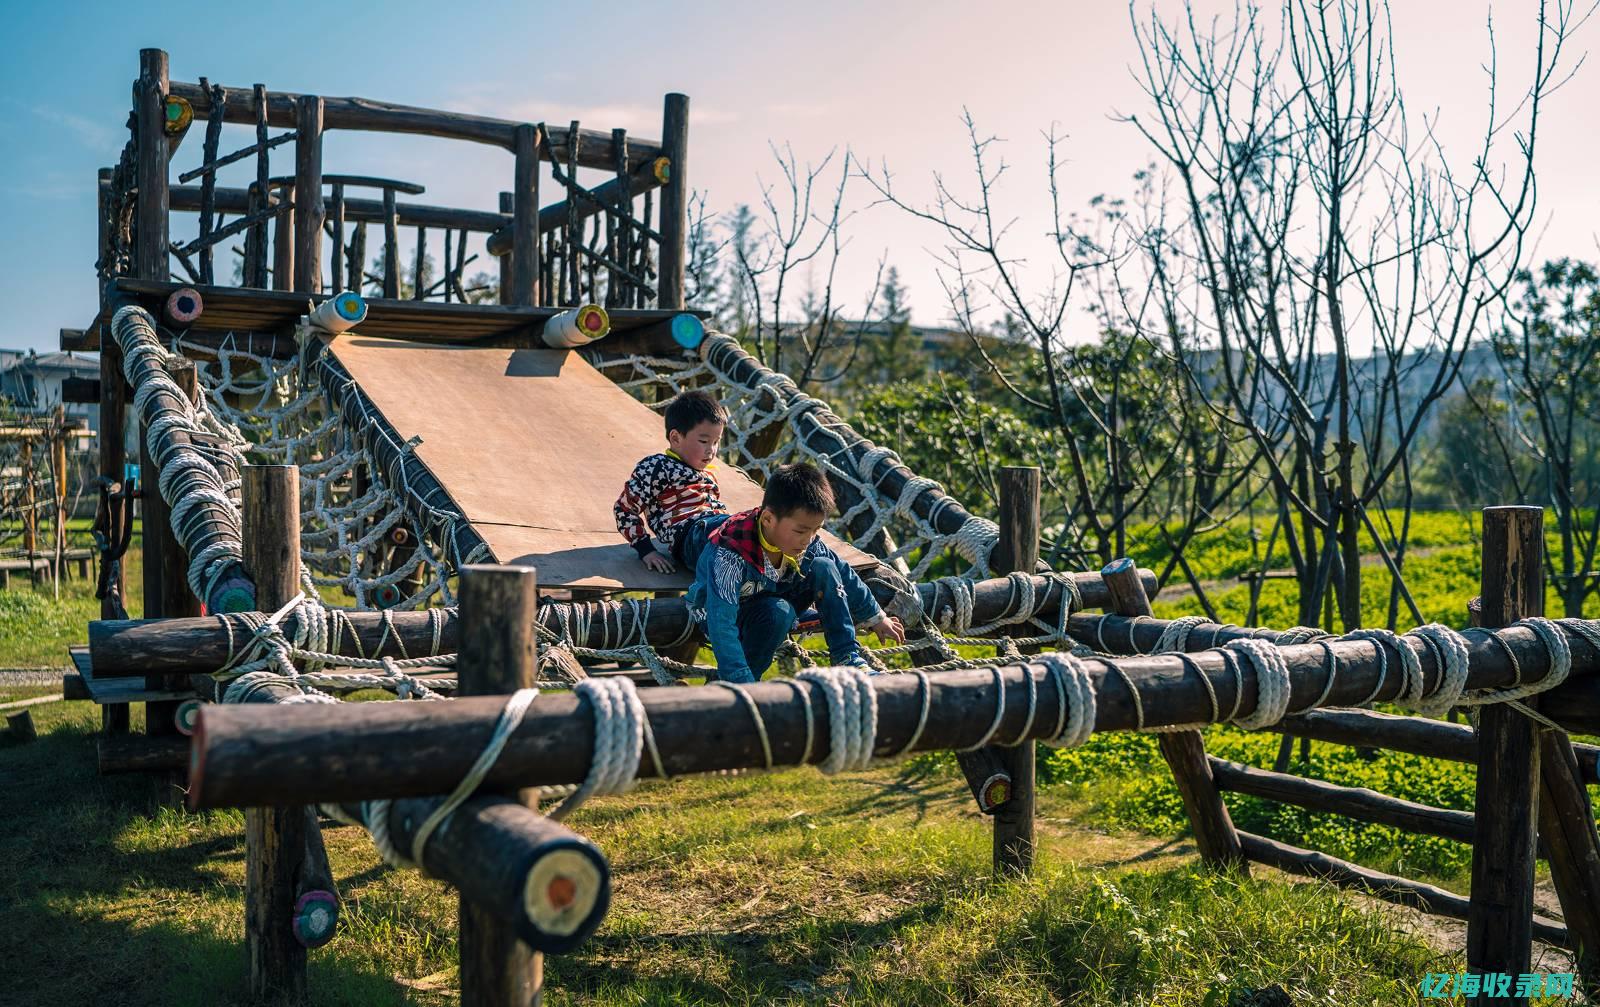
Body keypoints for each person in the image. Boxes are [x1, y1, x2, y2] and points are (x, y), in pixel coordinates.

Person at [686, 462, 905, 684]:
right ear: (768, 519)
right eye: (800, 531)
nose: (808, 539)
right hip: (721, 609)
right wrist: (737, 676)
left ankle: (846, 655)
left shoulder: (805, 543)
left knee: (825, 566)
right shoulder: (730, 555)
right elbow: (721, 621)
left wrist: (877, 617)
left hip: (769, 593)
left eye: (815, 530)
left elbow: (843, 572)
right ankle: (741, 681)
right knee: (779, 613)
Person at [613, 390, 730, 575]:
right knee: (738, 531)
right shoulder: (658, 466)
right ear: (676, 438)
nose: (712, 450)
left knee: (760, 532)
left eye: (716, 442)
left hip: (718, 530)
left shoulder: (708, 476)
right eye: (704, 441)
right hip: (691, 535)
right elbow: (624, 509)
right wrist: (645, 550)